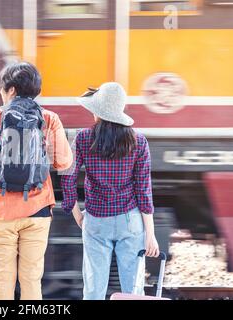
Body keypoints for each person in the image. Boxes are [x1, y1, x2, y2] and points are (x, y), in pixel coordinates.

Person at [0, 62, 73, 300]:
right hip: (38, 209)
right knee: (31, 280)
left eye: (2, 89)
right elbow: (64, 162)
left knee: (3, 281)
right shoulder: (49, 119)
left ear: (10, 90)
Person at [61, 82, 160, 300]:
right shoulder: (139, 141)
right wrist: (150, 235)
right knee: (133, 290)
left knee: (94, 289)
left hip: (96, 220)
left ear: (98, 112)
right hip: (130, 221)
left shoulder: (84, 138)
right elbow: (144, 190)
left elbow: (68, 178)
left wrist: (77, 215)